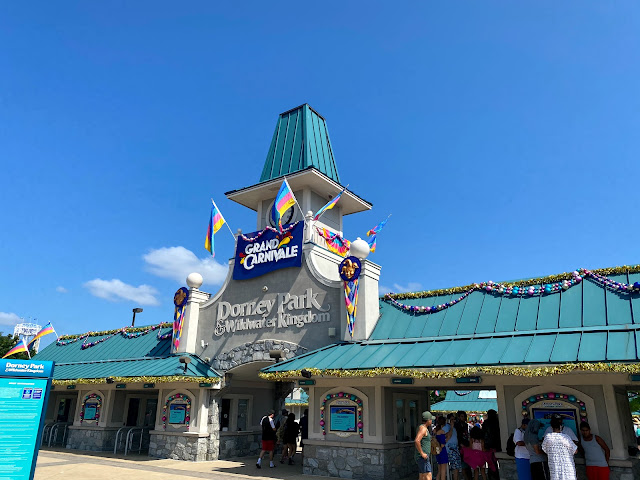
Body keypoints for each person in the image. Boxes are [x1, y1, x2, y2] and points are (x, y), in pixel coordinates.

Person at [541, 416, 577, 480]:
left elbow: (544, 449)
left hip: (555, 467)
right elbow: (575, 451)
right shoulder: (566, 437)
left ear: (551, 427)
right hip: (568, 468)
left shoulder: (548, 437)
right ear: (560, 427)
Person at [414, 411, 435, 480]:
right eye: (431, 419)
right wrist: (422, 453)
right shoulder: (423, 428)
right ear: (428, 420)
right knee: (428, 476)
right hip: (422, 457)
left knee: (422, 476)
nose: (432, 420)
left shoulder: (424, 428)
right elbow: (417, 440)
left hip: (422, 456)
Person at [482, 409, 501, 480]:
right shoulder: (497, 422)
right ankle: (496, 476)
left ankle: (492, 476)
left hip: (488, 445)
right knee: (496, 461)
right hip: (497, 444)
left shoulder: (486, 423)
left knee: (490, 462)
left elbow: (483, 434)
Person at [455, 411, 472, 480]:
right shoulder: (457, 425)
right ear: (459, 417)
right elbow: (458, 436)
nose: (463, 418)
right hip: (460, 445)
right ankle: (466, 477)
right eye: (461, 416)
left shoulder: (465, 425)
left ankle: (468, 477)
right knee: (463, 464)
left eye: (464, 416)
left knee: (468, 463)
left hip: (466, 444)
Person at [434, 416, 451, 480]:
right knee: (443, 471)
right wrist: (447, 438)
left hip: (437, 451)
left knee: (439, 471)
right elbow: (442, 444)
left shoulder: (435, 431)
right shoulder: (442, 431)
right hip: (442, 451)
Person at [446, 414, 462, 480]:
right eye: (451, 419)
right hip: (450, 449)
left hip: (455, 448)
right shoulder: (446, 427)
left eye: (454, 419)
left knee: (457, 467)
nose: (453, 421)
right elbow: (447, 436)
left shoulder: (454, 428)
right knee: (455, 467)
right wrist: (451, 427)